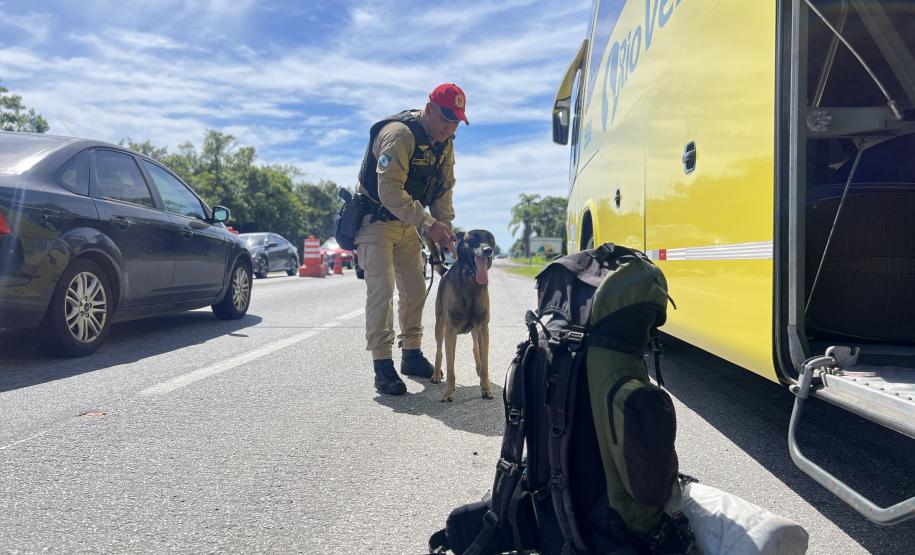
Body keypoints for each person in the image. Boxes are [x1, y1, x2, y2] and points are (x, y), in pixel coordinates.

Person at [354, 83, 469, 395]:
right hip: (376, 219)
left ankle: (412, 353)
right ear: (429, 110)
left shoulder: (445, 143)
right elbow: (389, 191)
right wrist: (428, 224)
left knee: (416, 289)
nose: (450, 127)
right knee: (382, 289)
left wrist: (443, 231)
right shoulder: (399, 135)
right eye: (445, 118)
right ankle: (382, 364)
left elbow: (444, 190)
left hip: (408, 223)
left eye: (456, 121)